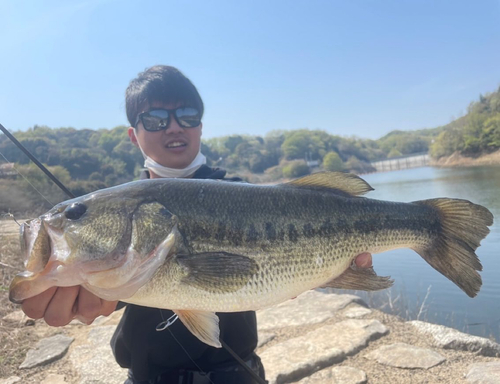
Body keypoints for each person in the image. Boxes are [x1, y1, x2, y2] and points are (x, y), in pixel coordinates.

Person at [21, 65, 374, 384]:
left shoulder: (241, 193)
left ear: (200, 126)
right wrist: (92, 294)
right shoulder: (123, 208)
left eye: (187, 115)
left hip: (236, 375)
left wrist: (327, 269)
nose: (174, 126)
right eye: (156, 118)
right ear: (134, 135)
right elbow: (127, 278)